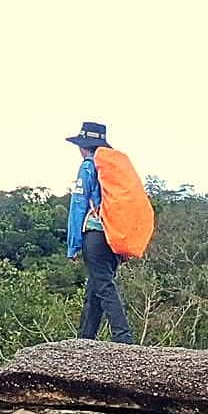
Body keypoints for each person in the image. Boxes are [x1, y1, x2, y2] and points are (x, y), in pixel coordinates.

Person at [65, 120, 135, 344]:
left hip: (95, 234)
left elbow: (78, 204)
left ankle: (122, 336)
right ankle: (86, 338)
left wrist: (73, 245)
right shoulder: (113, 170)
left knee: (103, 285)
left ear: (83, 146)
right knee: (95, 287)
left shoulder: (88, 166)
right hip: (114, 234)